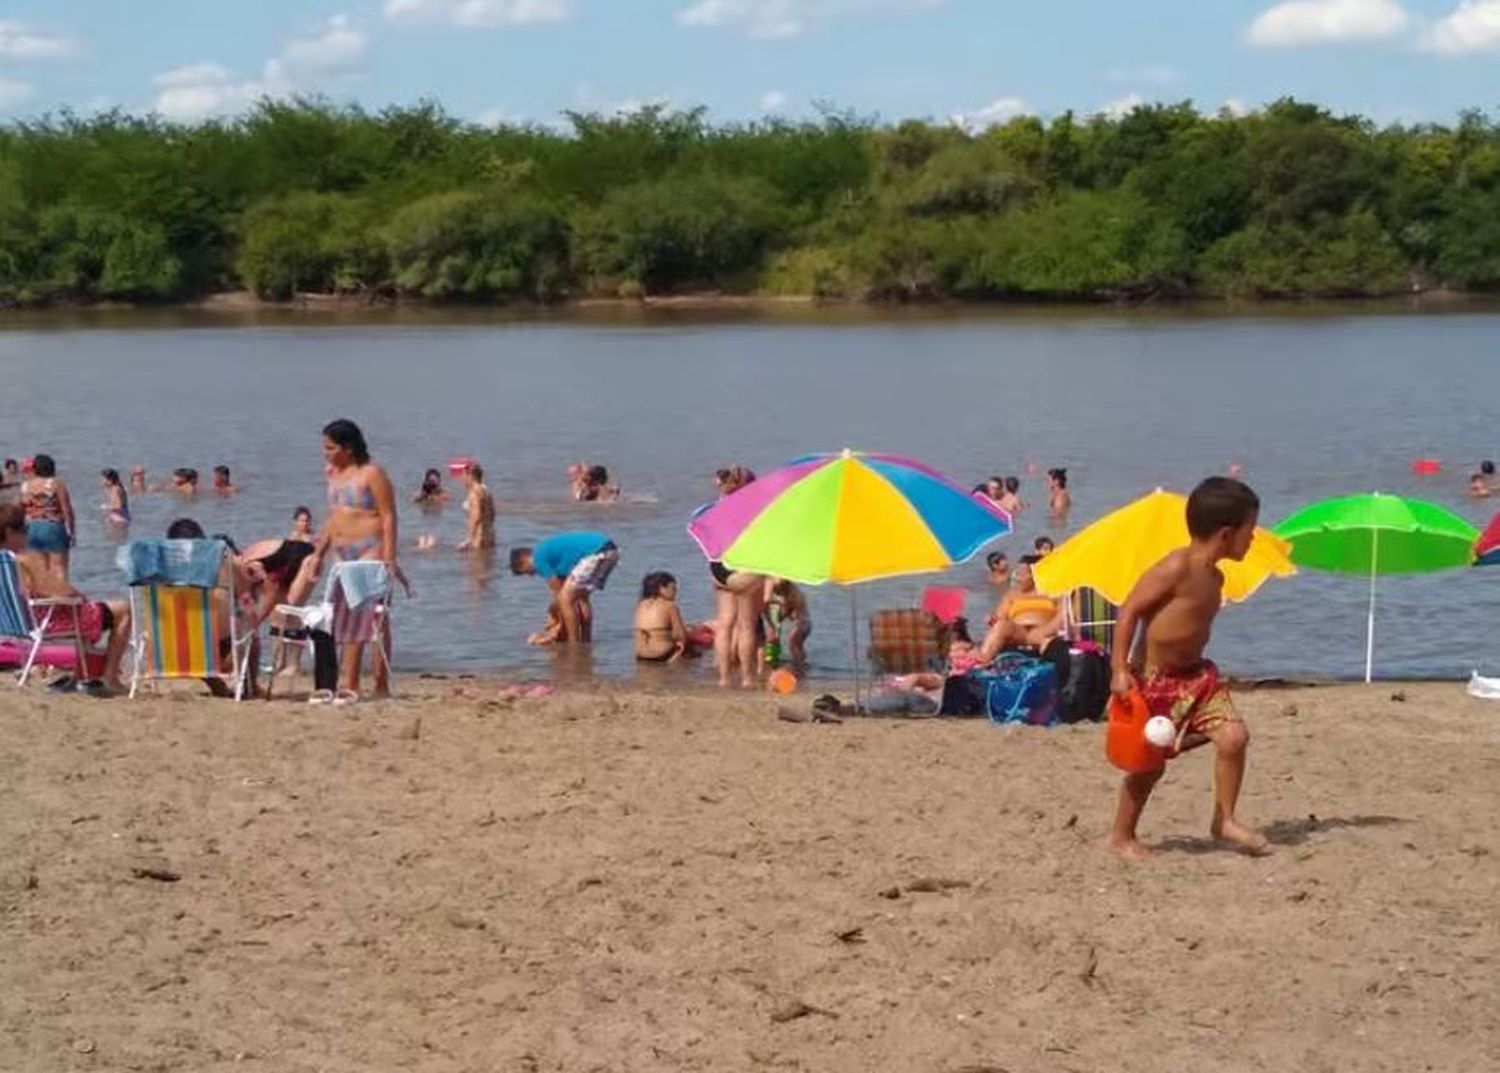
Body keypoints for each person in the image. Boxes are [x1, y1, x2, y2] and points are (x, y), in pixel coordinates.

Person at [1106, 476, 1268, 860]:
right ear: (1227, 534)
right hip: (1155, 679)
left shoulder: (1216, 576)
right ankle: (1121, 836)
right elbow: (1130, 610)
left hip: (1198, 677)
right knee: (1149, 764)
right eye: (1251, 530)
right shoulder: (1177, 566)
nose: (1254, 539)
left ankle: (1224, 819)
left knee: (1234, 738)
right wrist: (1118, 669)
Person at [308, 419, 407, 702]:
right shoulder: (332, 473)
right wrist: (318, 554)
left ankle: (375, 684)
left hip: (370, 550)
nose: (325, 453)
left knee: (373, 619)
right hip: (342, 554)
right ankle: (348, 682)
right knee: (342, 618)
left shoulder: (372, 473)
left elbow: (388, 515)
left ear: (348, 448)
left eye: (330, 447)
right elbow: (334, 515)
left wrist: (389, 557)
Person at [1, 504, 131, 692]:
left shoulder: (5, 561)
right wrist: (78, 595)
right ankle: (110, 677)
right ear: (9, 532)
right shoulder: (28, 557)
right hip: (53, 622)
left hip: (23, 623)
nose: (27, 534)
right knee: (124, 609)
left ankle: (82, 674)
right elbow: (56, 592)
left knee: (90, 609)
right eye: (23, 529)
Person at [707, 468, 764, 689]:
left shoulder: (718, 506)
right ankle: (748, 678)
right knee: (747, 626)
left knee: (724, 625)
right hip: (743, 569)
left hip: (717, 567)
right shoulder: (754, 510)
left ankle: (724, 678)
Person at [510, 530, 619, 645]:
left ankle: (573, 643)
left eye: (526, 572)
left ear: (524, 561)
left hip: (595, 553)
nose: (531, 575)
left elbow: (559, 594)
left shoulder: (538, 559)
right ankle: (586, 640)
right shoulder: (553, 560)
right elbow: (568, 596)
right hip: (610, 550)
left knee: (565, 599)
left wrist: (553, 622)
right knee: (581, 599)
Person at [978, 555, 1063, 660]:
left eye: (1022, 574)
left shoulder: (1053, 592)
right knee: (1000, 627)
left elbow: (1062, 617)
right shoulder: (1011, 595)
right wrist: (993, 620)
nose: (1017, 578)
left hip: (1045, 631)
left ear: (1035, 574)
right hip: (1018, 632)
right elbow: (1000, 618)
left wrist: (1044, 631)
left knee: (1053, 642)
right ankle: (982, 660)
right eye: (1016, 573)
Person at [20, 454, 74, 581]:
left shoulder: (26, 486)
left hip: (32, 527)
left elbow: (21, 508)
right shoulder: (56, 484)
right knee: (59, 566)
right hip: (52, 525)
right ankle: (61, 597)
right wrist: (71, 531)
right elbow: (66, 509)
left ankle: (44, 597)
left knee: (40, 568)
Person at [634, 572, 701, 662]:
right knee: (696, 650)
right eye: (673, 588)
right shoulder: (669, 606)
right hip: (662, 655)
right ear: (661, 588)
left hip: (641, 655)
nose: (676, 591)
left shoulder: (641, 604)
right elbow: (681, 636)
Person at [764, 578, 812, 667]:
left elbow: (790, 614)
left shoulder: (793, 596)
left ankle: (798, 665)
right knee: (794, 645)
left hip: (802, 623)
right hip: (805, 623)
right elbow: (784, 616)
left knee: (793, 644)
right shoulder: (791, 593)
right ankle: (800, 664)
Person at [458, 462, 497, 550]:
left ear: (470, 476)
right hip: (490, 535)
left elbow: (476, 516)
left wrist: (469, 539)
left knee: (476, 562)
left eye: (463, 476)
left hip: (478, 538)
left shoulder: (473, 493)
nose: (462, 479)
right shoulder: (486, 491)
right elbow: (493, 514)